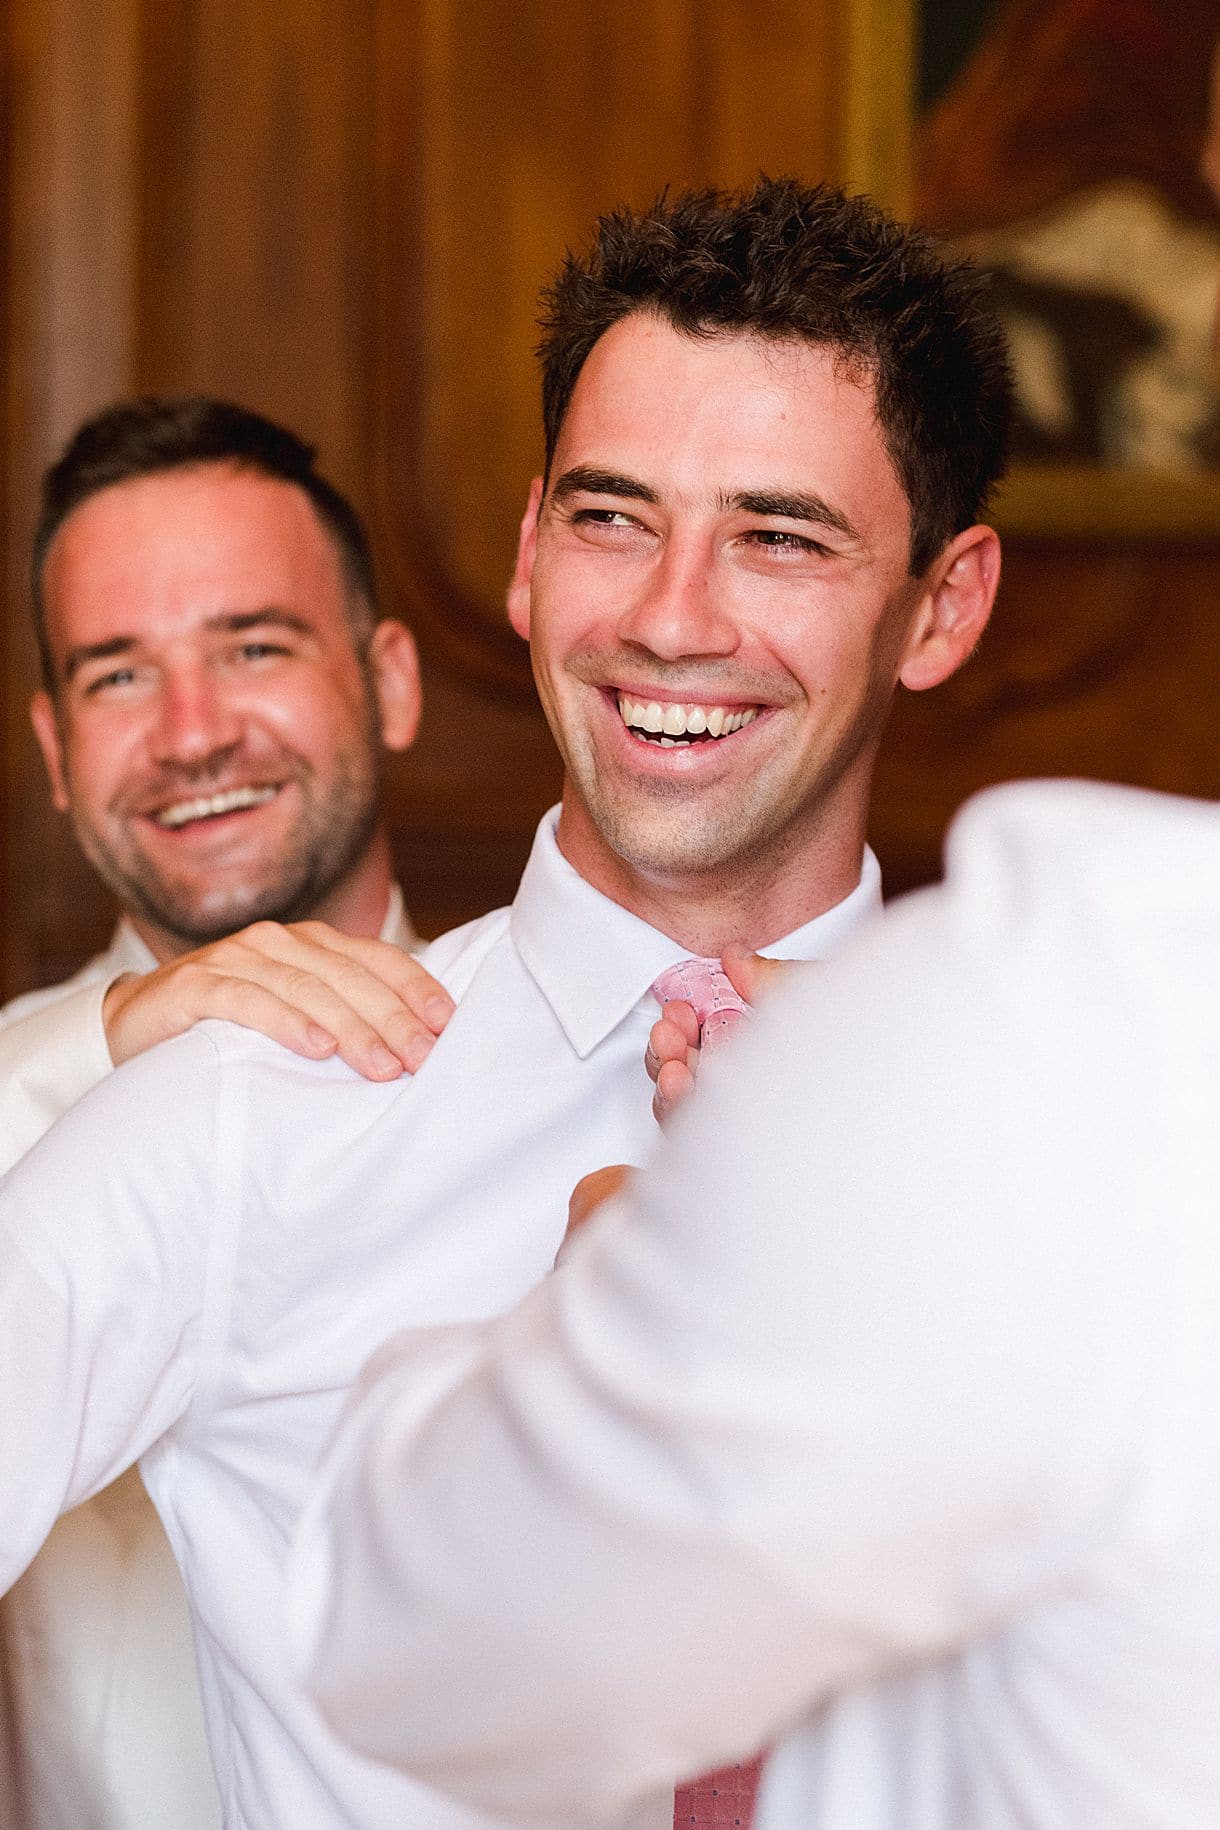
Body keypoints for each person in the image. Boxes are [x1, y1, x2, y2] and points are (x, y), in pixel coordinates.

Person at [0, 177, 1011, 1828]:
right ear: (532, 555)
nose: (672, 618)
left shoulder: (1105, 1150)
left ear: (943, 607)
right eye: (615, 518)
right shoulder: (250, 1121)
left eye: (776, 535)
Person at [290, 776, 1220, 1830]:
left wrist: (608, 1311)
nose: (678, 624)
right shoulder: (1081, 1013)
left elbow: (412, 1644)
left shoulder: (1074, 1006)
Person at [0, 395, 454, 1830]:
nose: (194, 733)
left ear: (388, 678)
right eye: (119, 675)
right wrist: (105, 1046)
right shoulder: (23, 1099)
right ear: (57, 746)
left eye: (254, 647)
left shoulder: (603, 1079)